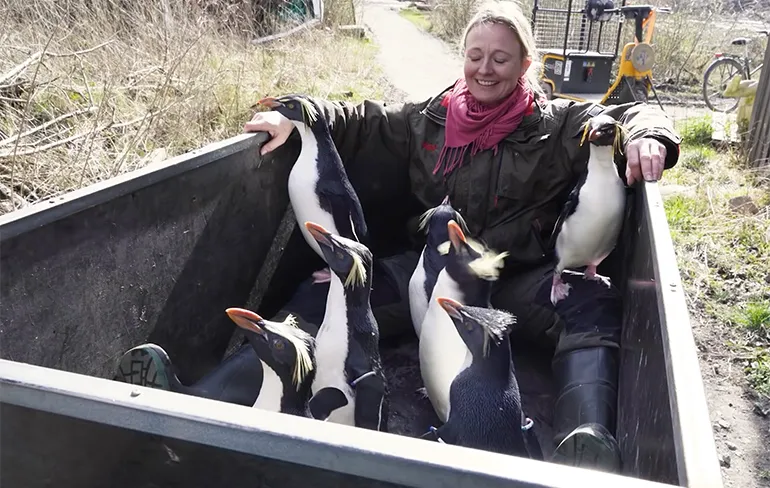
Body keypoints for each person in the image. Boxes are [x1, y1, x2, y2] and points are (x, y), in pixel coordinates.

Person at [115, 0, 680, 474]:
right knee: (332, 287)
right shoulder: (429, 120)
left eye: (501, 59)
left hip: (502, 278)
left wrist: (647, 138)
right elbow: (357, 119)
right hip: (424, 276)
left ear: (526, 64)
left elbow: (628, 114)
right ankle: (193, 399)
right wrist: (299, 117)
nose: (485, 69)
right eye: (476, 56)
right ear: (463, 58)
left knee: (591, 303)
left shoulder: (557, 125)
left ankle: (583, 443)